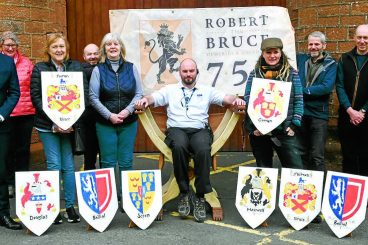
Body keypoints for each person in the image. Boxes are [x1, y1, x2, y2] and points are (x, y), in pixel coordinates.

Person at [135, 58, 245, 223]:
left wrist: (236, 100)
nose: (188, 74)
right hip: (176, 129)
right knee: (178, 147)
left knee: (203, 149)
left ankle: (200, 196)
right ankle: (184, 193)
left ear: (196, 72)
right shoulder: (170, 90)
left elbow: (225, 98)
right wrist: (145, 100)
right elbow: (153, 98)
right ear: (180, 73)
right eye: (185, 71)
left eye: (191, 71)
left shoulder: (206, 90)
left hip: (199, 130)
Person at [30, 33, 87, 224]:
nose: (59, 50)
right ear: (48, 50)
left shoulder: (76, 67)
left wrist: (69, 120)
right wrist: (56, 121)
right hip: (48, 126)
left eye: (62, 46)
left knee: (69, 166)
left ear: (67, 49)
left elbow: (83, 96)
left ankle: (70, 207)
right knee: (54, 165)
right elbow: (37, 98)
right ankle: (53, 208)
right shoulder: (40, 68)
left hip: (70, 125)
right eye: (54, 47)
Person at [89, 33, 143, 199]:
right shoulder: (98, 70)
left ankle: (128, 198)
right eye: (108, 44)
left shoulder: (131, 67)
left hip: (128, 123)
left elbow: (139, 93)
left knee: (126, 161)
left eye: (116, 44)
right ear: (104, 49)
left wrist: (127, 111)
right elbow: (93, 97)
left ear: (121, 47)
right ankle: (109, 199)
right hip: (106, 124)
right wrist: (109, 115)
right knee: (108, 162)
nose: (112, 47)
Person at [244, 37, 303, 169]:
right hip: (260, 131)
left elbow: (299, 99)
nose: (272, 56)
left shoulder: (291, 74)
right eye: (268, 52)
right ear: (263, 54)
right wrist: (254, 127)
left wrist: (294, 125)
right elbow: (249, 99)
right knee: (263, 170)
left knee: (295, 168)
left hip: (285, 130)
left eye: (275, 52)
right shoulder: (255, 74)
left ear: (281, 53)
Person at [296, 31, 337, 224]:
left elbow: (326, 88)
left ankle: (319, 202)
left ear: (324, 46)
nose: (313, 48)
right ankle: (304, 199)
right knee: (302, 155)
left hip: (318, 116)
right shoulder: (301, 58)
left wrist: (303, 91)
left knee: (317, 157)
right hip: (301, 114)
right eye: (311, 44)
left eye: (317, 45)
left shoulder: (331, 64)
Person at [1, 31, 35, 198]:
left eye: (13, 45)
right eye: (7, 44)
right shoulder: (2, 63)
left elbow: (33, 86)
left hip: (26, 113)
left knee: (23, 150)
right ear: (2, 46)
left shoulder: (27, 63)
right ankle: (8, 183)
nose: (10, 47)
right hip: (6, 114)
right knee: (7, 151)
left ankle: (22, 183)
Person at [336, 24, 368, 176]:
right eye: (360, 37)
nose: (362, 41)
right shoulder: (344, 58)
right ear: (354, 38)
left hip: (366, 117)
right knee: (347, 156)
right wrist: (350, 110)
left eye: (366, 38)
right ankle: (348, 193)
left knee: (365, 157)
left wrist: (362, 111)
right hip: (346, 116)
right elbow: (339, 86)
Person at [0, 53, 21, 230]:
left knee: (1, 170)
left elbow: (14, 92)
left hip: (1, 124)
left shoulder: (7, 62)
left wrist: (1, 114)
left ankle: (3, 213)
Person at [80, 43, 100, 170]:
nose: (92, 57)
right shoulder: (80, 70)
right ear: (84, 56)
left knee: (105, 154)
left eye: (95, 53)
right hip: (88, 119)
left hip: (104, 117)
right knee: (89, 155)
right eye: (89, 54)